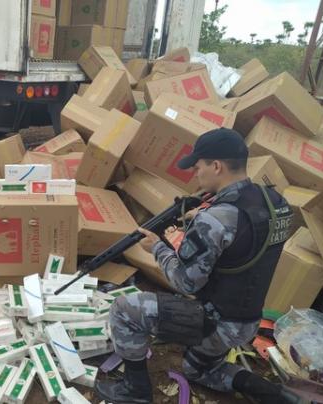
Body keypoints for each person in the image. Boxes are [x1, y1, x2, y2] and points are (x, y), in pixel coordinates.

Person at [95, 128, 297, 404]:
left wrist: (157, 247)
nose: (195, 174)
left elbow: (185, 282)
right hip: (249, 319)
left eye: (198, 166)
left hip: (216, 321)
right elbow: (243, 244)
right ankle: (274, 394)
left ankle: (135, 391)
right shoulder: (276, 202)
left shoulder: (215, 219)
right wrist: (200, 222)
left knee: (124, 310)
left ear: (216, 166)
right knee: (195, 370)